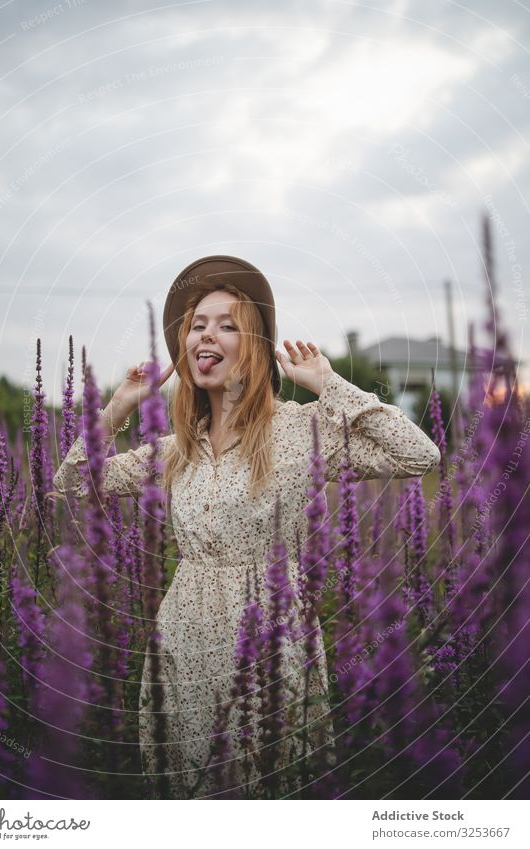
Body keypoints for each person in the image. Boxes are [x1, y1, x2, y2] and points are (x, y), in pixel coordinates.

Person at [53, 255, 441, 799]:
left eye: (227, 324)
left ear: (255, 348)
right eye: (197, 325)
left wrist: (330, 385)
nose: (205, 335)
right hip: (181, 644)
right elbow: (72, 481)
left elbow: (419, 455)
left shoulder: (301, 431)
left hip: (268, 639)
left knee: (266, 785)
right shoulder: (175, 450)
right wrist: (119, 404)